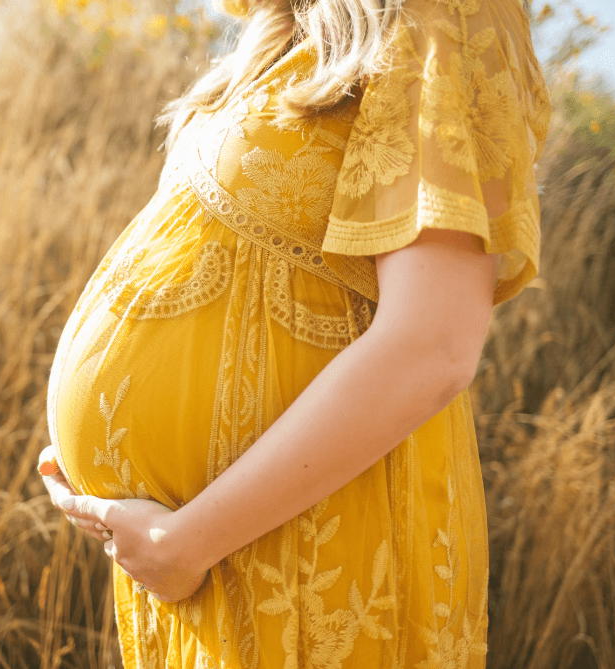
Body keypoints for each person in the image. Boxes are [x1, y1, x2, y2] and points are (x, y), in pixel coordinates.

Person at [40, 0, 551, 665]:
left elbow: (434, 343)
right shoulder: (285, 33)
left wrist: (184, 542)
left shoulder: (440, 16)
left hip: (309, 550)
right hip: (212, 554)